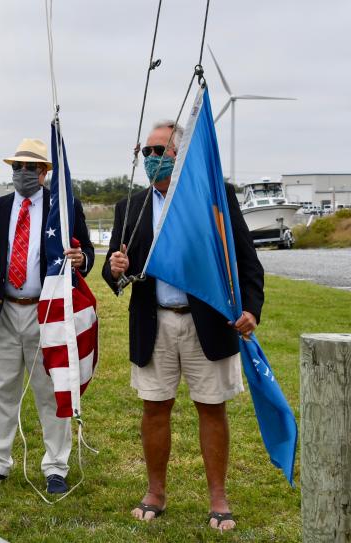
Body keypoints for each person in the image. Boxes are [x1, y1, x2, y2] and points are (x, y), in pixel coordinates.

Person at [103, 121, 264, 531]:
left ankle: (219, 497)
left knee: (211, 408)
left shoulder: (214, 196)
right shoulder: (131, 207)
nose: (152, 160)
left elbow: (247, 260)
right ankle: (155, 492)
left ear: (180, 155)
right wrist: (115, 268)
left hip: (205, 323)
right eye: (147, 153)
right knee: (154, 408)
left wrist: (252, 309)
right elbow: (116, 274)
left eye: (161, 152)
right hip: (153, 324)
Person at [0, 138, 94, 494]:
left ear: (46, 172)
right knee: (1, 388)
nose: (23, 173)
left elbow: (86, 254)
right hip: (5, 310)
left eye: (31, 167)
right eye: (17, 166)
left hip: (46, 312)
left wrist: (82, 261)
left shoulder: (63, 207)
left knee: (51, 389)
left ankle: (56, 467)